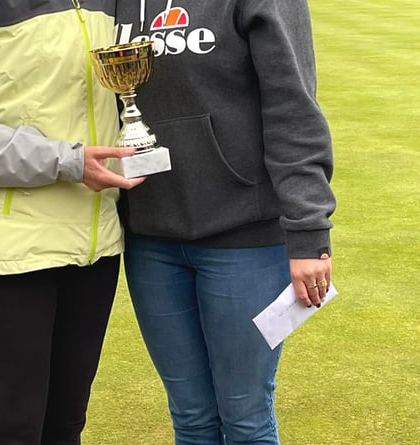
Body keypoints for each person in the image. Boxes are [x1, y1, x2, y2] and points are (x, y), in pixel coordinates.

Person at [0, 1, 144, 444]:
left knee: (65, 427)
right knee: (16, 430)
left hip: (94, 245)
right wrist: (67, 161)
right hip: (5, 249)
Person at [114, 1, 336, 444]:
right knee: (191, 420)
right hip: (150, 240)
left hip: (246, 238)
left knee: (245, 419)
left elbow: (292, 105)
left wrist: (309, 231)